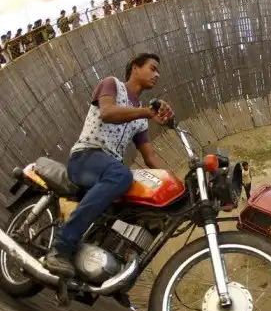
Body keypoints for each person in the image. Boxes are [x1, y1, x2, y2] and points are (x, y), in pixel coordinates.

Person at [45, 53, 174, 286]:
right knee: (121, 175)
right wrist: (146, 112)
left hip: (106, 169)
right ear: (135, 68)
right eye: (152, 68)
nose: (157, 74)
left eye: (158, 71)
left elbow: (150, 157)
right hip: (86, 156)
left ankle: (111, 274)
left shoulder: (141, 119)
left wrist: (174, 185)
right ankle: (61, 248)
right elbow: (108, 112)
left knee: (135, 207)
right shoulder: (111, 84)